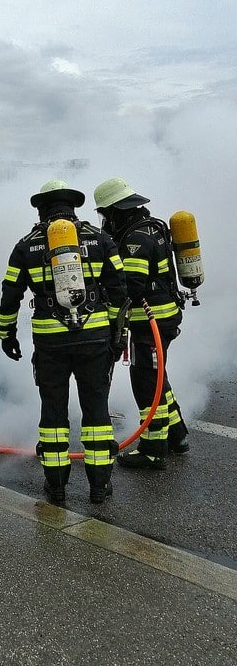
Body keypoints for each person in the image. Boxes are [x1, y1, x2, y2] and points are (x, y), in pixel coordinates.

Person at [0, 180, 127, 505]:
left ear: (42, 209)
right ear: (73, 207)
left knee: (53, 413)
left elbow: (10, 294)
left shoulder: (26, 245)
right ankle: (99, 487)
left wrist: (7, 335)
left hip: (50, 343)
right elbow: (119, 290)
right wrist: (116, 334)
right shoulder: (100, 240)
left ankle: (56, 486)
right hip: (95, 339)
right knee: (96, 411)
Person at [93, 176, 189, 469]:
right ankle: (177, 434)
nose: (105, 222)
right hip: (165, 316)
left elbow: (130, 286)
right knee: (159, 376)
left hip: (151, 324)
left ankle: (152, 449)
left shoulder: (135, 239)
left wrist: (103, 294)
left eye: (106, 215)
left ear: (115, 211)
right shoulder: (154, 226)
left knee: (146, 381)